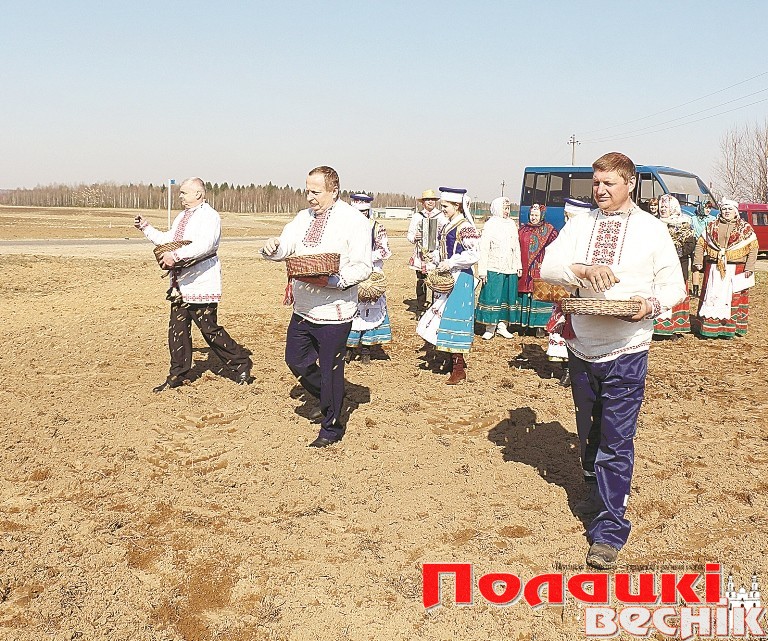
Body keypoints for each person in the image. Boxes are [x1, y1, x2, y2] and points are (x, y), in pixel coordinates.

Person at [540, 152, 686, 570]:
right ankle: (596, 491)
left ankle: (609, 529)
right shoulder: (580, 224)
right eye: (596, 183)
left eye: (609, 183)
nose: (600, 191)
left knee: (616, 438)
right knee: (589, 429)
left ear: (630, 183)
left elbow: (674, 287)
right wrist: (584, 270)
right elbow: (548, 267)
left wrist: (648, 305)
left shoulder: (652, 229)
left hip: (628, 346)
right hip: (582, 344)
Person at [261, 166, 372, 447]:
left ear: (334, 191)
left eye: (316, 192)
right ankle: (330, 397)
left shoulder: (354, 221)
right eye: (307, 190)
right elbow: (286, 247)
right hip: (303, 307)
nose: (309, 197)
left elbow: (363, 266)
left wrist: (334, 281)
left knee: (330, 371)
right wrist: (273, 247)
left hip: (335, 311)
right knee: (295, 360)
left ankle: (331, 429)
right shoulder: (302, 218)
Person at [134, 178, 253, 392]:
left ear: (198, 194)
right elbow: (168, 241)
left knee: (209, 329)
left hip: (201, 282)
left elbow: (205, 245)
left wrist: (175, 256)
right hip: (180, 285)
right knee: (177, 330)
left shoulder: (210, 216)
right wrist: (146, 227)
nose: (180, 196)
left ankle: (241, 364)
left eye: (184, 192)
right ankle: (177, 375)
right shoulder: (182, 216)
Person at [416, 187, 480, 384]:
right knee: (443, 320)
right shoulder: (447, 225)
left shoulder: (465, 227)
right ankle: (452, 362)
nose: (442, 209)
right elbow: (444, 250)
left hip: (460, 279)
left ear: (457, 205)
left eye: (445, 206)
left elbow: (474, 254)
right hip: (448, 277)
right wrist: (433, 258)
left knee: (454, 320)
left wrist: (451, 263)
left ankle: (458, 369)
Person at [693, 198, 758, 339]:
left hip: (736, 269)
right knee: (712, 297)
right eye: (724, 209)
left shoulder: (745, 228)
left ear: (735, 211)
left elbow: (753, 248)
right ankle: (709, 328)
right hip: (714, 268)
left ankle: (729, 330)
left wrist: (749, 267)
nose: (727, 211)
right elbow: (700, 243)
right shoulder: (712, 226)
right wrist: (698, 261)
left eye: (730, 209)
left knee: (732, 299)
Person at [546, 198, 592, 386]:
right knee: (564, 328)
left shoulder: (586, 238)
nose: (566, 219)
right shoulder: (566, 235)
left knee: (579, 331)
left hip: (581, 293)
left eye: (568, 216)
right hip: (565, 291)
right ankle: (567, 369)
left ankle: (577, 370)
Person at [345, 193, 392, 363]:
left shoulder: (377, 227)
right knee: (351, 310)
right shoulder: (346, 227)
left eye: (364, 212)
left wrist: (365, 257)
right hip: (351, 273)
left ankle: (366, 348)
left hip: (372, 275)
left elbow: (385, 251)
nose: (361, 215)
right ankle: (349, 348)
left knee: (369, 310)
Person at [476, 197, 522, 340]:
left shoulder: (511, 224)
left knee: (506, 297)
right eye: (504, 208)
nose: (507, 211)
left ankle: (503, 326)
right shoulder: (490, 224)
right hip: (494, 267)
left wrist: (518, 265)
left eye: (508, 208)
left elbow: (516, 246)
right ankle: (490, 328)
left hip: (510, 268)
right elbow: (484, 248)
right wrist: (482, 271)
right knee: (493, 296)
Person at [653, 194, 696, 339]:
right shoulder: (654, 224)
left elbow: (690, 245)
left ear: (673, 208)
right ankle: (658, 328)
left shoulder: (683, 224)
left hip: (678, 267)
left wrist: (672, 253)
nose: (662, 209)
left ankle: (674, 329)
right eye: (661, 206)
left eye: (666, 207)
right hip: (658, 268)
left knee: (675, 295)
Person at [516, 204, 559, 337]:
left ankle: (539, 326)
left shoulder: (549, 231)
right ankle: (524, 324)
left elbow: (555, 249)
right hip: (524, 267)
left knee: (539, 294)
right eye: (532, 215)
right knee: (525, 294)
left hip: (539, 267)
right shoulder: (523, 230)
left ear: (542, 216)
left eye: (536, 215)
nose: (533, 218)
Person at [407, 189, 448, 315]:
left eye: (432, 200)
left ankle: (435, 307)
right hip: (421, 255)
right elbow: (409, 235)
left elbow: (447, 233)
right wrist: (415, 237)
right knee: (421, 281)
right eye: (427, 200)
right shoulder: (417, 216)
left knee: (436, 281)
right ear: (423, 202)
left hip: (436, 255)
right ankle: (420, 308)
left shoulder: (442, 216)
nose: (430, 202)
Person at [687, 200, 716, 297]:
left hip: (708, 246)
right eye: (706, 207)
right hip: (696, 245)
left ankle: (707, 289)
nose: (708, 210)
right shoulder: (693, 219)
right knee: (695, 268)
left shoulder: (712, 219)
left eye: (709, 208)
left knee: (708, 267)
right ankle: (695, 290)